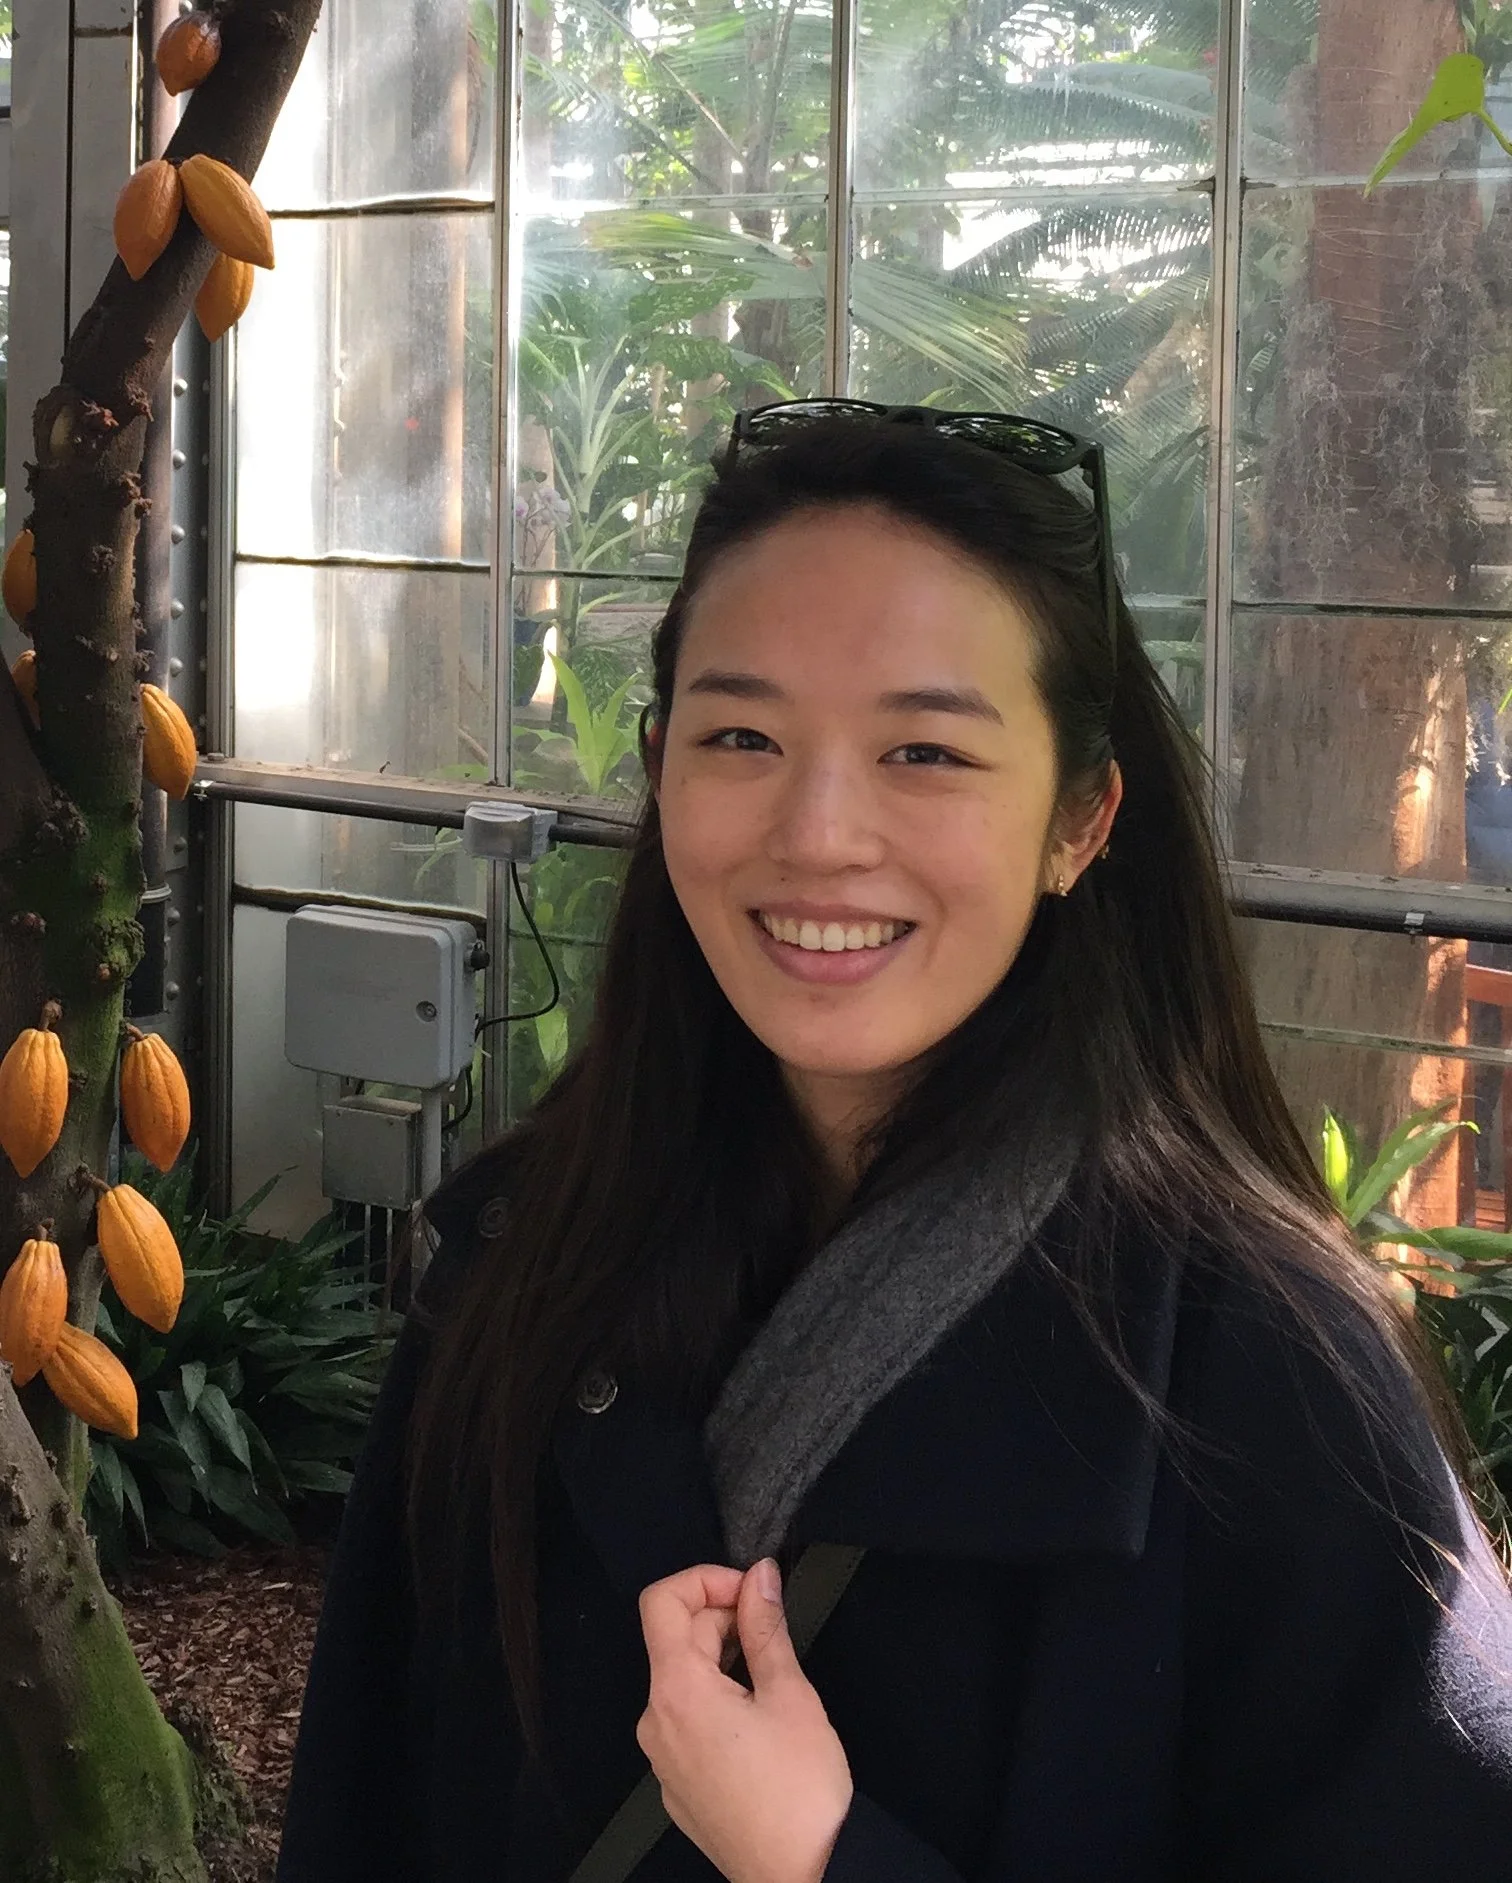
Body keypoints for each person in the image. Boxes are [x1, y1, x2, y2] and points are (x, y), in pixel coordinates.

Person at [275, 403, 1512, 1883]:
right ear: (661, 768)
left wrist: (824, 1856)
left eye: (924, 750)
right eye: (743, 735)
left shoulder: (1264, 1382)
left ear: (1082, 816)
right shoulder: (520, 1267)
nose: (818, 831)